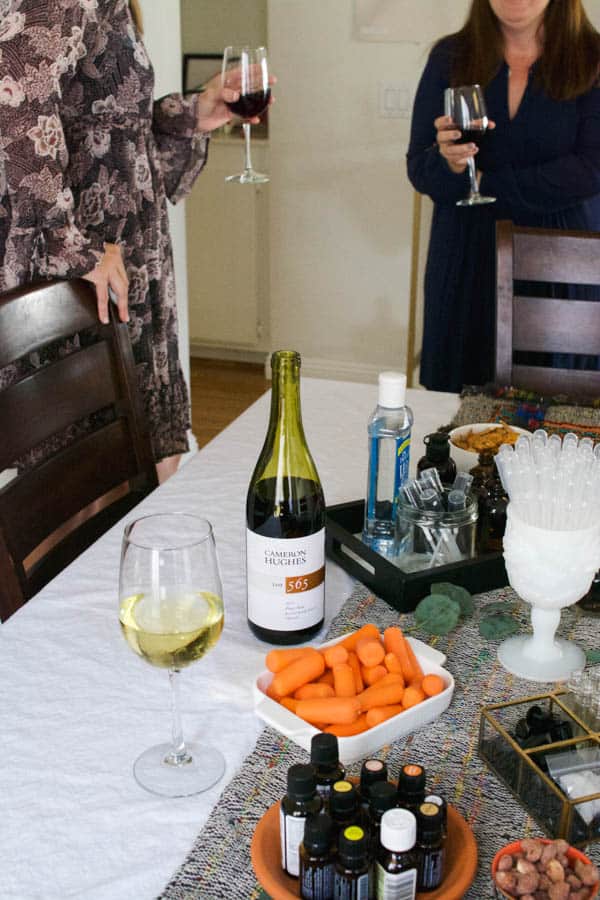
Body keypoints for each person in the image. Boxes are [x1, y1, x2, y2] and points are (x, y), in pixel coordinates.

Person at [0, 0, 270, 482]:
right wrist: (71, 246)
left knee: (141, 476)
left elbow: (113, 135)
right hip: (90, 283)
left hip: (127, 269)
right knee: (91, 487)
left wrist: (195, 114)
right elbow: (13, 94)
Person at [407, 0, 600, 394]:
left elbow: (591, 169)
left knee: (560, 410)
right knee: (459, 415)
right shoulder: (449, 57)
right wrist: (452, 165)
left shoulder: (593, 58)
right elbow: (419, 166)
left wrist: (486, 184)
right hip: (465, 255)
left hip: (561, 261)